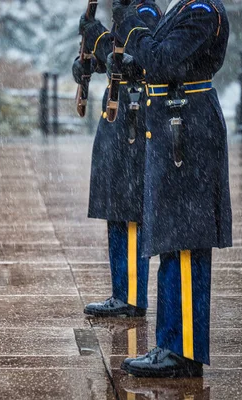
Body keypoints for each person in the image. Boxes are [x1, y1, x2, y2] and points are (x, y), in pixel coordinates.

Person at [111, 0, 232, 377]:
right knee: (172, 241)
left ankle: (182, 350)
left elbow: (164, 60)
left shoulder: (201, 10)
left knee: (183, 242)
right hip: (175, 129)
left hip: (189, 131)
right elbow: (152, 63)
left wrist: (131, 26)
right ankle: (170, 342)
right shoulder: (184, 9)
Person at [72, 1, 162, 318]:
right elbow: (115, 56)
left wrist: (96, 37)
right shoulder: (127, 12)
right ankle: (120, 291)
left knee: (129, 206)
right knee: (115, 206)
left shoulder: (146, 11)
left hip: (135, 116)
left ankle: (132, 296)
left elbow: (139, 57)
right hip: (118, 114)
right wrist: (90, 62)